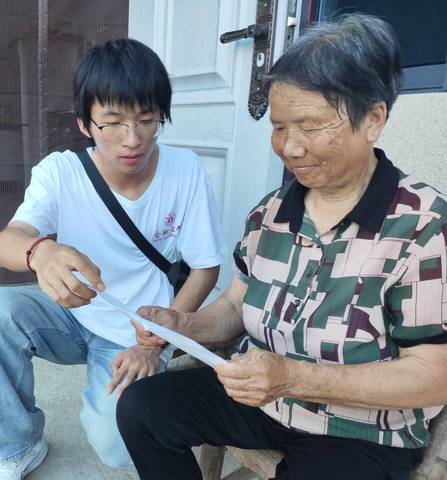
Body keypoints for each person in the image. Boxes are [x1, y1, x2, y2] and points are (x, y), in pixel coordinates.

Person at [117, 14, 447, 480]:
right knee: (143, 409)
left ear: (373, 119)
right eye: (278, 127)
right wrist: (183, 325)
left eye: (309, 126)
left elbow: (434, 373)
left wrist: (292, 377)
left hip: (360, 428)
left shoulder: (424, 225)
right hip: (264, 398)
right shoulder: (271, 211)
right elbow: (237, 304)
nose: (289, 148)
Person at [0, 38, 224, 480]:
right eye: (113, 123)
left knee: (119, 447)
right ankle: (20, 446)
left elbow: (205, 268)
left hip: (139, 329)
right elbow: (5, 242)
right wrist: (39, 251)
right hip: (71, 313)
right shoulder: (61, 171)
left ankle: (112, 393)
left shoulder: (185, 170)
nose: (133, 139)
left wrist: (155, 343)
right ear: (85, 124)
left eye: (147, 120)